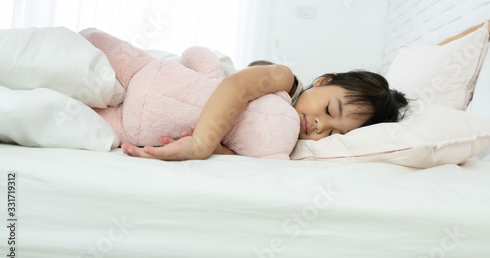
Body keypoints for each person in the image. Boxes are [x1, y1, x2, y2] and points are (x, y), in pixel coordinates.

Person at [122, 59, 408, 161]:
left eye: (333, 132)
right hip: (171, 85)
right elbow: (237, 86)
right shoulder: (285, 80)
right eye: (329, 110)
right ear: (323, 81)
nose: (321, 126)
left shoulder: (286, 142)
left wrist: (220, 150)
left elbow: (240, 148)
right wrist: (201, 144)